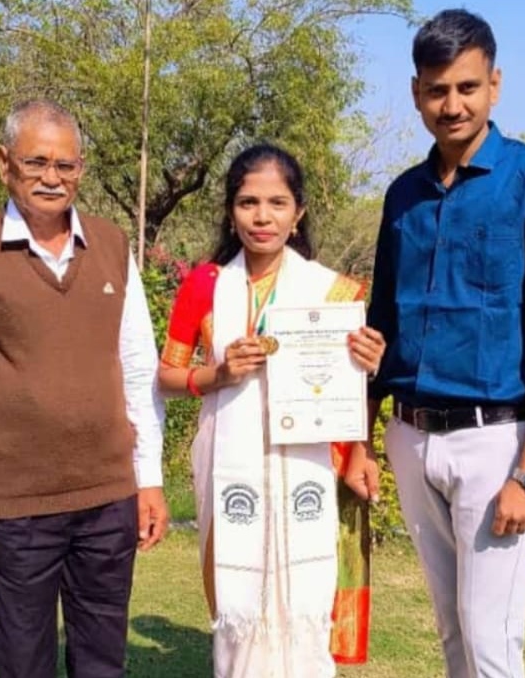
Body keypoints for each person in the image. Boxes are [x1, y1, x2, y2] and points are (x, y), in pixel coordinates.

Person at [352, 9, 525, 678]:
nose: (452, 105)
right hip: (411, 439)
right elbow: (381, 324)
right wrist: (362, 440)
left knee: (490, 641)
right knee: (452, 633)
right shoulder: (402, 196)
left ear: (494, 85)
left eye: (467, 87)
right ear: (416, 92)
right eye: (437, 90)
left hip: (494, 441)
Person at [158, 143, 384, 677]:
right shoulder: (204, 286)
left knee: (304, 605)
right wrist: (218, 375)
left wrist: (368, 364)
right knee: (235, 604)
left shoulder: (331, 293)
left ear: (298, 212)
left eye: (277, 203)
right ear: (230, 211)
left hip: (307, 468)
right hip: (227, 467)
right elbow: (165, 378)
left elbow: (346, 393)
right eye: (248, 202)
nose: (262, 217)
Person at [0, 99, 168, 678]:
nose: (52, 177)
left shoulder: (112, 245)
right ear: (4, 163)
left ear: (81, 169)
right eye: (36, 162)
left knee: (101, 664)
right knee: (24, 663)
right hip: (15, 506)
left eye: (65, 165)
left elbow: (138, 366)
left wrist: (148, 479)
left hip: (107, 501)